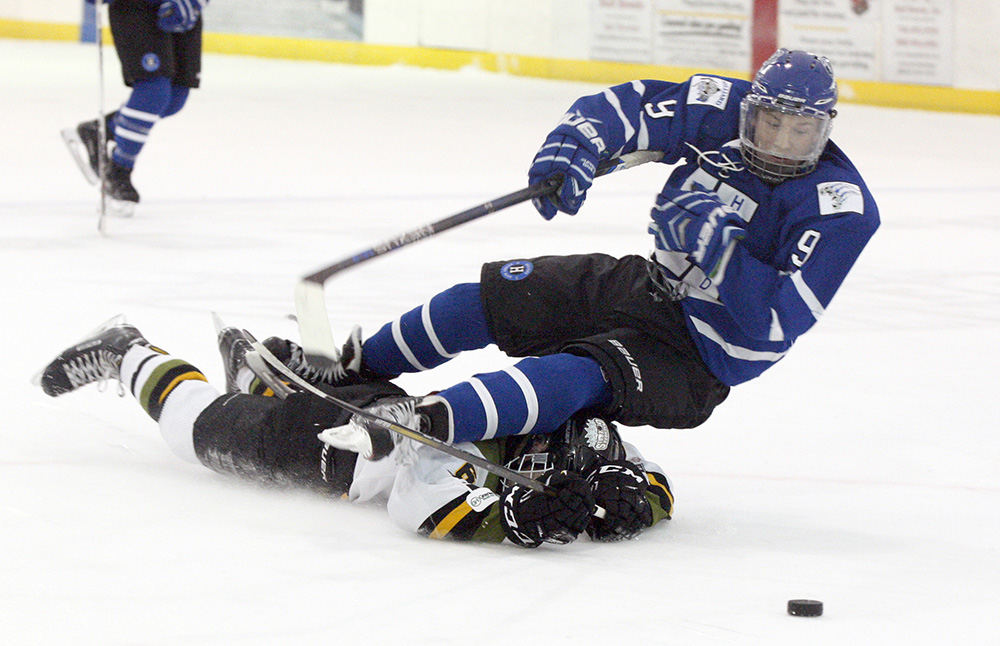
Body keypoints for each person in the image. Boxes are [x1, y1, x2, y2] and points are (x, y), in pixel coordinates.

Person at [292, 48, 880, 459]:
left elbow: (774, 325)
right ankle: (352, 367)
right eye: (769, 123)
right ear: (752, 108)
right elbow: (629, 107)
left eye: (798, 133)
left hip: (703, 356)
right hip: (650, 285)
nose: (779, 143)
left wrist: (719, 248)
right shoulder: (723, 106)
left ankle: (423, 422)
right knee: (488, 297)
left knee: (575, 374)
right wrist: (577, 145)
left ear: (825, 130)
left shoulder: (841, 209)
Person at [35, 319, 673, 547]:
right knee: (193, 427)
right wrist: (511, 520)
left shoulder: (582, 433)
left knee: (336, 399)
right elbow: (417, 500)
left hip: (388, 409)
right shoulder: (499, 431)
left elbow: (646, 477)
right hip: (334, 450)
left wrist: (635, 500)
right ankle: (126, 351)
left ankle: (267, 374)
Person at [61, 0, 208, 215]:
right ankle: (118, 172)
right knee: (154, 94)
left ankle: (99, 130)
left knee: (174, 100)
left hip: (184, 8)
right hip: (136, 7)